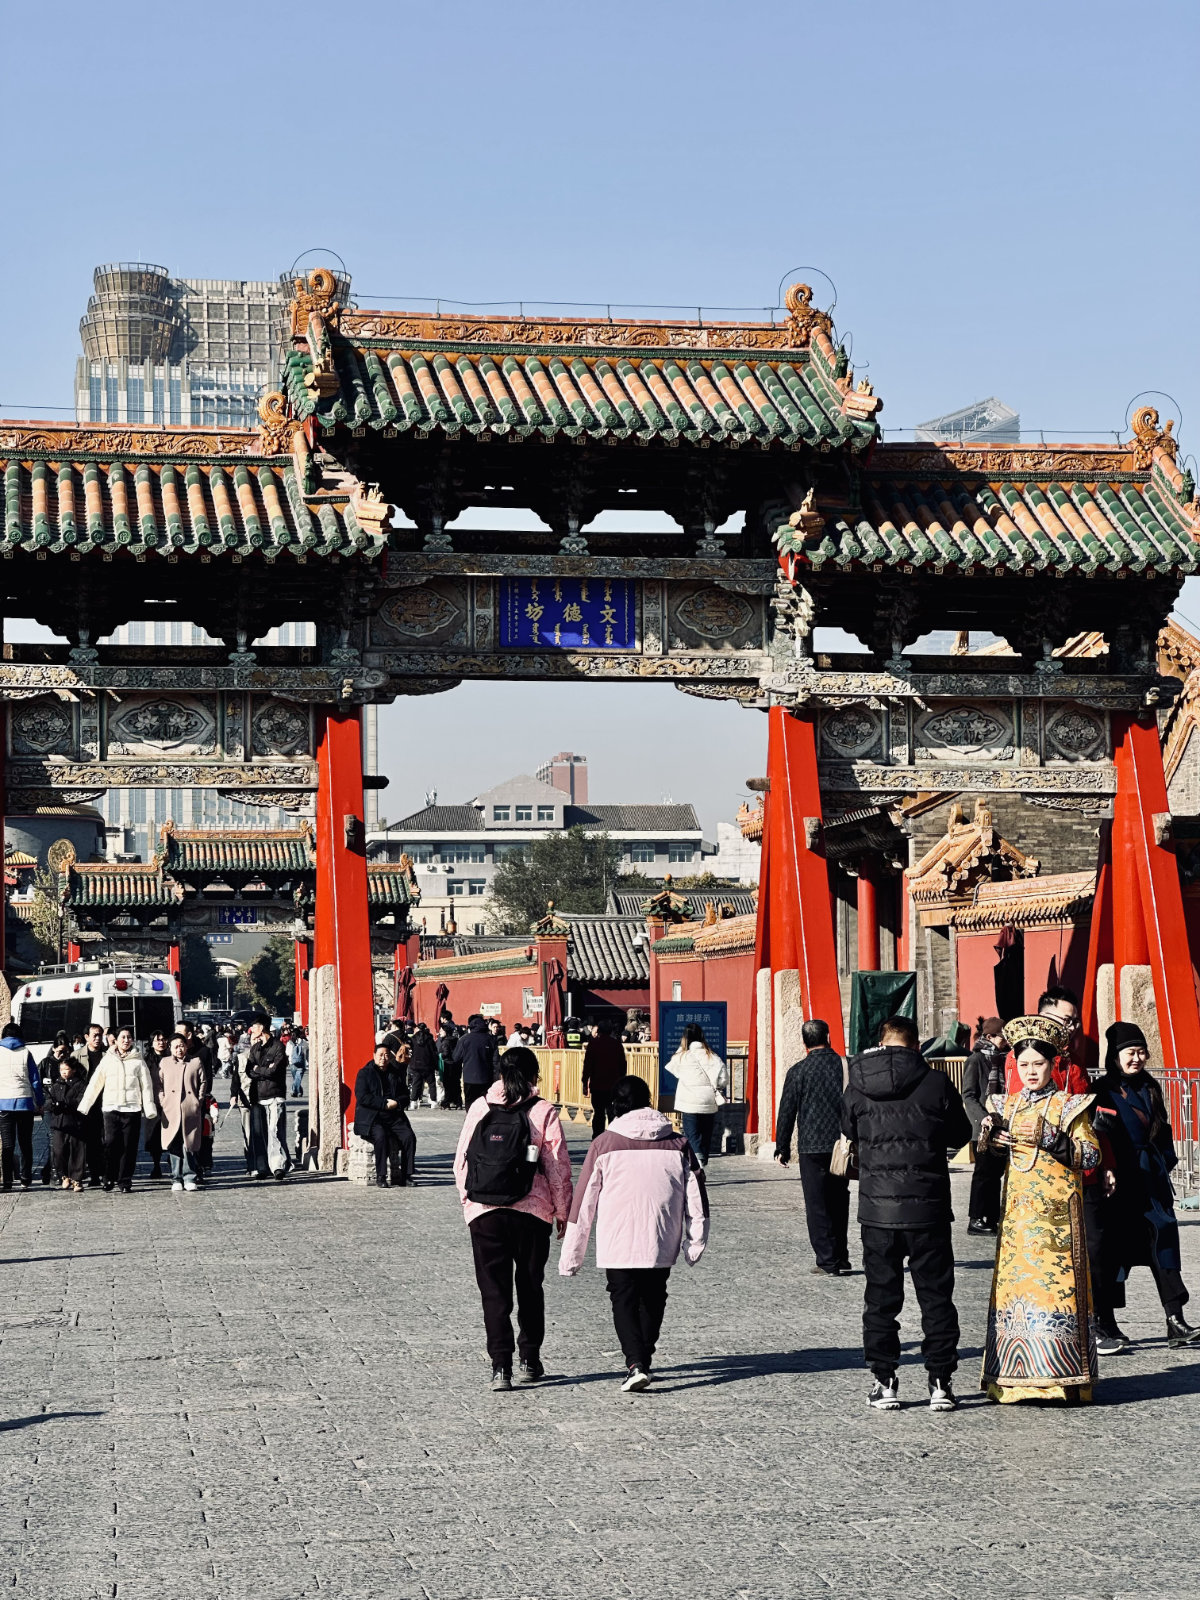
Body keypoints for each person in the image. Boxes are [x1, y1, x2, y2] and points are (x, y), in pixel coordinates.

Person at [843, 1014, 972, 1411]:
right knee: (936, 1298)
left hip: (877, 1211)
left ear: (881, 1043)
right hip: (929, 1208)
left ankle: (885, 1382)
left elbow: (849, 1131)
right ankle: (941, 1383)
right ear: (917, 1045)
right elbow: (960, 1134)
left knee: (881, 1299)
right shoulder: (936, 1082)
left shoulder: (857, 1086)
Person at [560, 1073, 709, 1391]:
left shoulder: (604, 1144)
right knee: (654, 1297)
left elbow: (583, 1204)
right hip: (661, 1236)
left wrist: (572, 1256)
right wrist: (695, 1241)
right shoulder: (678, 1143)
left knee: (624, 1298)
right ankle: (644, 1357)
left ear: (616, 1105)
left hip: (618, 1239)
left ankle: (635, 1362)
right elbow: (697, 1194)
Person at [978, 1016, 1100, 1402]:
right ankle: (1012, 1379)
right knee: (1016, 1297)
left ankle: (1060, 1378)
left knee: (1055, 1297)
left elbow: (1090, 1154)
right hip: (1018, 1221)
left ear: (1053, 1065)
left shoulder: (1070, 1106)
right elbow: (993, 1162)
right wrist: (991, 1141)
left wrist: (1052, 1138)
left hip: (1058, 1224)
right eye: (1024, 1064)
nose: (1031, 1071)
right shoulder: (1006, 1104)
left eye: (1039, 1064)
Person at [454, 1046, 573, 1391]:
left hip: (485, 1213)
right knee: (530, 1286)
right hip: (532, 1213)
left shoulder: (480, 1106)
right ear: (535, 1074)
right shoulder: (543, 1111)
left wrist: (470, 1206)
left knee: (494, 1291)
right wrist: (562, 1211)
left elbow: (461, 1161)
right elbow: (556, 1166)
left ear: (500, 1074)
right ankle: (530, 1359)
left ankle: (500, 1367)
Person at [1091, 1021, 1200, 1353]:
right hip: (1117, 1182)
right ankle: (1105, 1323)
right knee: (1111, 1253)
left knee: (1164, 1244)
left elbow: (1163, 1129)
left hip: (1150, 1179)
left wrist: (1165, 1160)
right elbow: (1098, 1133)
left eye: (1140, 1052)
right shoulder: (1102, 1089)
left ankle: (1175, 1320)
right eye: (1129, 1052)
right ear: (1115, 1055)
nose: (1136, 1059)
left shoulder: (1151, 1086)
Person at [774, 1019, 851, 1276]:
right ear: (828, 1036)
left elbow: (787, 1111)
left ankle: (827, 1260)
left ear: (804, 1042)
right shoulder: (846, 1066)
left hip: (811, 1145)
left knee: (817, 1204)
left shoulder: (798, 1071)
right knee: (840, 1200)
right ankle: (841, 1255)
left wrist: (781, 1146)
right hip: (841, 1145)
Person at [78, 1027, 157, 1193]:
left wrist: (149, 1109)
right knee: (111, 1145)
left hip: (132, 1109)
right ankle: (108, 1178)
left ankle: (125, 1180)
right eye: (123, 1037)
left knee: (129, 1147)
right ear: (116, 1040)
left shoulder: (138, 1060)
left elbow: (147, 1086)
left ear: (132, 1040)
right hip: (111, 1109)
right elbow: (95, 1083)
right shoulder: (107, 1059)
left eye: (129, 1037)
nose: (126, 1040)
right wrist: (85, 1105)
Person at [962, 1016, 1007, 1235]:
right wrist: (982, 1117)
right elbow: (969, 1095)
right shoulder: (976, 1059)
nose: (1006, 1041)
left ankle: (992, 1217)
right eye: (1002, 1037)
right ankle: (976, 1219)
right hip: (982, 1127)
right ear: (989, 1037)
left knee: (995, 1174)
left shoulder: (1004, 1058)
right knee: (983, 1174)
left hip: (1001, 1123)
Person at [1002, 986, 1089, 1096]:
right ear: (1044, 1017)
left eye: (1074, 1022)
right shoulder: (1022, 1055)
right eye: (1067, 1020)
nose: (1071, 1028)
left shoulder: (1074, 1060)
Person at [353, 1044, 417, 1186]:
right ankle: (381, 1176)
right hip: (373, 1117)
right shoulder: (365, 1073)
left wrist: (397, 1103)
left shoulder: (395, 1073)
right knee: (381, 1137)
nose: (383, 1058)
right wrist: (383, 1104)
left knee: (409, 1137)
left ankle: (406, 1175)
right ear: (374, 1055)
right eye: (380, 1055)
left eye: (387, 1055)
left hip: (394, 1115)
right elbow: (362, 1097)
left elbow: (405, 1095)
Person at [667, 1024, 727, 1167]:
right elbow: (724, 1079)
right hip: (708, 1099)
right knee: (705, 1133)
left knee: (691, 1132)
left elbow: (672, 1067)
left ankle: (697, 1159)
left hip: (689, 1099)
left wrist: (682, 1047)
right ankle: (703, 1158)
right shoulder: (713, 1056)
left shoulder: (681, 1057)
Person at [243, 1014, 289, 1180]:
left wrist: (259, 1069)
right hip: (257, 1095)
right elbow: (249, 1070)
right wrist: (263, 1070)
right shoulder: (255, 1049)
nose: (251, 1030)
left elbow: (274, 1071)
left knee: (274, 1131)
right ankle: (262, 1167)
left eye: (254, 1027)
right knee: (259, 1133)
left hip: (274, 1094)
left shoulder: (278, 1047)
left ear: (261, 1028)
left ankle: (278, 1166)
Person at [158, 1034, 205, 1192]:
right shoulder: (164, 1063)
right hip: (171, 1109)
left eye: (182, 1045)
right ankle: (176, 1177)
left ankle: (189, 1176)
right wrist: (163, 1099)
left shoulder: (195, 1062)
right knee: (174, 1143)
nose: (179, 1049)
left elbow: (203, 1081)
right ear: (170, 1048)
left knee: (189, 1144)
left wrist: (198, 1100)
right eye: (175, 1046)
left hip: (189, 1108)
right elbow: (159, 1083)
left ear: (187, 1046)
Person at [0, 1022, 44, 1191]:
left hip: (3, 1103)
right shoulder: (26, 1052)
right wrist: (39, 1102)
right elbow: (35, 1080)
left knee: (8, 1145)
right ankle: (25, 1179)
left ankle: (8, 1181)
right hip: (24, 1103)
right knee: (25, 1143)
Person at [47, 1051, 87, 1191]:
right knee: (58, 1150)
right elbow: (48, 1099)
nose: (63, 1072)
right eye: (61, 1070)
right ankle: (64, 1175)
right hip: (59, 1123)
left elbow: (81, 1100)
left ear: (74, 1070)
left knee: (77, 1150)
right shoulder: (56, 1084)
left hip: (76, 1122)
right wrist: (52, 1105)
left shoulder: (80, 1084)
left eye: (66, 1069)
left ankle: (77, 1179)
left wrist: (66, 1104)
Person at [582, 1018, 628, 1138]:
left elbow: (588, 1065)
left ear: (599, 1031)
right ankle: (613, 1136)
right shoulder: (617, 1045)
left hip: (597, 1084)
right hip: (614, 1085)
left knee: (598, 1113)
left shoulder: (593, 1044)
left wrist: (584, 1082)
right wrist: (621, 1082)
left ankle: (597, 1137)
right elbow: (623, 1064)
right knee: (612, 1112)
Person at [74, 1022, 107, 1187]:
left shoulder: (108, 1055)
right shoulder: (77, 1056)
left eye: (100, 1035)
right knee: (92, 1141)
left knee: (107, 1139)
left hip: (106, 1103)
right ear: (86, 1037)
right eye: (94, 1035)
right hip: (87, 1105)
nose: (98, 1038)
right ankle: (94, 1174)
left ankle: (107, 1173)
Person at [453, 1014, 500, 1110]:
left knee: (470, 1104)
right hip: (486, 1078)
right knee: (485, 1104)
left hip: (469, 1078)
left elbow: (456, 1058)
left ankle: (471, 1122)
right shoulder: (491, 1039)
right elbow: (496, 1061)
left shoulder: (464, 1039)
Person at [144, 1028, 170, 1181]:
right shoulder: (147, 1060)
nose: (161, 1042)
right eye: (157, 1040)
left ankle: (172, 1160)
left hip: (170, 1101)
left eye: (163, 1039)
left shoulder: (172, 1057)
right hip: (154, 1102)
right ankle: (156, 1164)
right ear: (152, 1043)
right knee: (154, 1135)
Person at [408, 1022, 440, 1108]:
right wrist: (436, 1065)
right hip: (428, 1064)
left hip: (416, 1064)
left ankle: (413, 1101)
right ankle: (433, 1102)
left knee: (416, 1083)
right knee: (431, 1084)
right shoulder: (430, 1039)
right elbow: (434, 1053)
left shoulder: (413, 1039)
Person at [288, 1029, 308, 1098]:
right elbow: (307, 1050)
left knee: (296, 1078)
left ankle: (293, 1091)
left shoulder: (290, 1042)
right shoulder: (304, 1042)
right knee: (298, 1078)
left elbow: (287, 1052)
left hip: (292, 1063)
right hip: (302, 1062)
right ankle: (299, 1091)